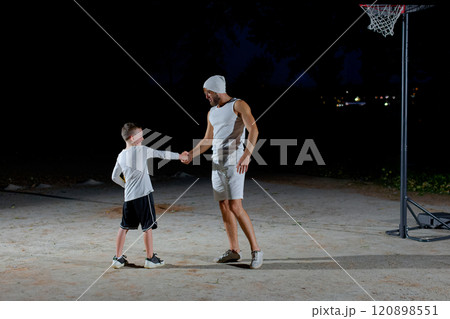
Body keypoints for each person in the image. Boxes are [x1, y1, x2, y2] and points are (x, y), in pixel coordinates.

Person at [182, 75, 263, 269]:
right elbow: (208, 139)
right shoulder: (211, 113)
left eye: (208, 93)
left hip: (235, 162)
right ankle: (234, 251)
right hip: (217, 163)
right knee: (224, 206)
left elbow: (254, 131)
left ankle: (256, 251)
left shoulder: (239, 105)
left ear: (217, 90)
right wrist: (191, 154)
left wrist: (247, 154)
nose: (206, 97)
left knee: (236, 206)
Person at [111, 123, 187, 269]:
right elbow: (162, 154)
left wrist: (126, 186)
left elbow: (114, 177)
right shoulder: (141, 150)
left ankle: (118, 258)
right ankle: (150, 258)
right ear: (133, 138)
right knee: (148, 227)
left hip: (129, 198)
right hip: (143, 195)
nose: (143, 137)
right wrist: (181, 156)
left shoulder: (121, 155)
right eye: (141, 135)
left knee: (124, 226)